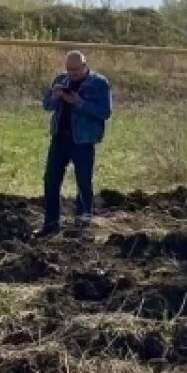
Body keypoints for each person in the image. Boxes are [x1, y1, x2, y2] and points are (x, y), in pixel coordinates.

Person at [36, 50, 112, 236]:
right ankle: (51, 225)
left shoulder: (99, 83)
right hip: (59, 139)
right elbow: (47, 106)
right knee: (50, 181)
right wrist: (55, 97)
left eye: (76, 70)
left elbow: (105, 112)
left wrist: (79, 102)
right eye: (69, 69)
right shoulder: (60, 80)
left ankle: (83, 227)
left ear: (85, 66)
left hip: (83, 141)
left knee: (83, 183)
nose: (72, 73)